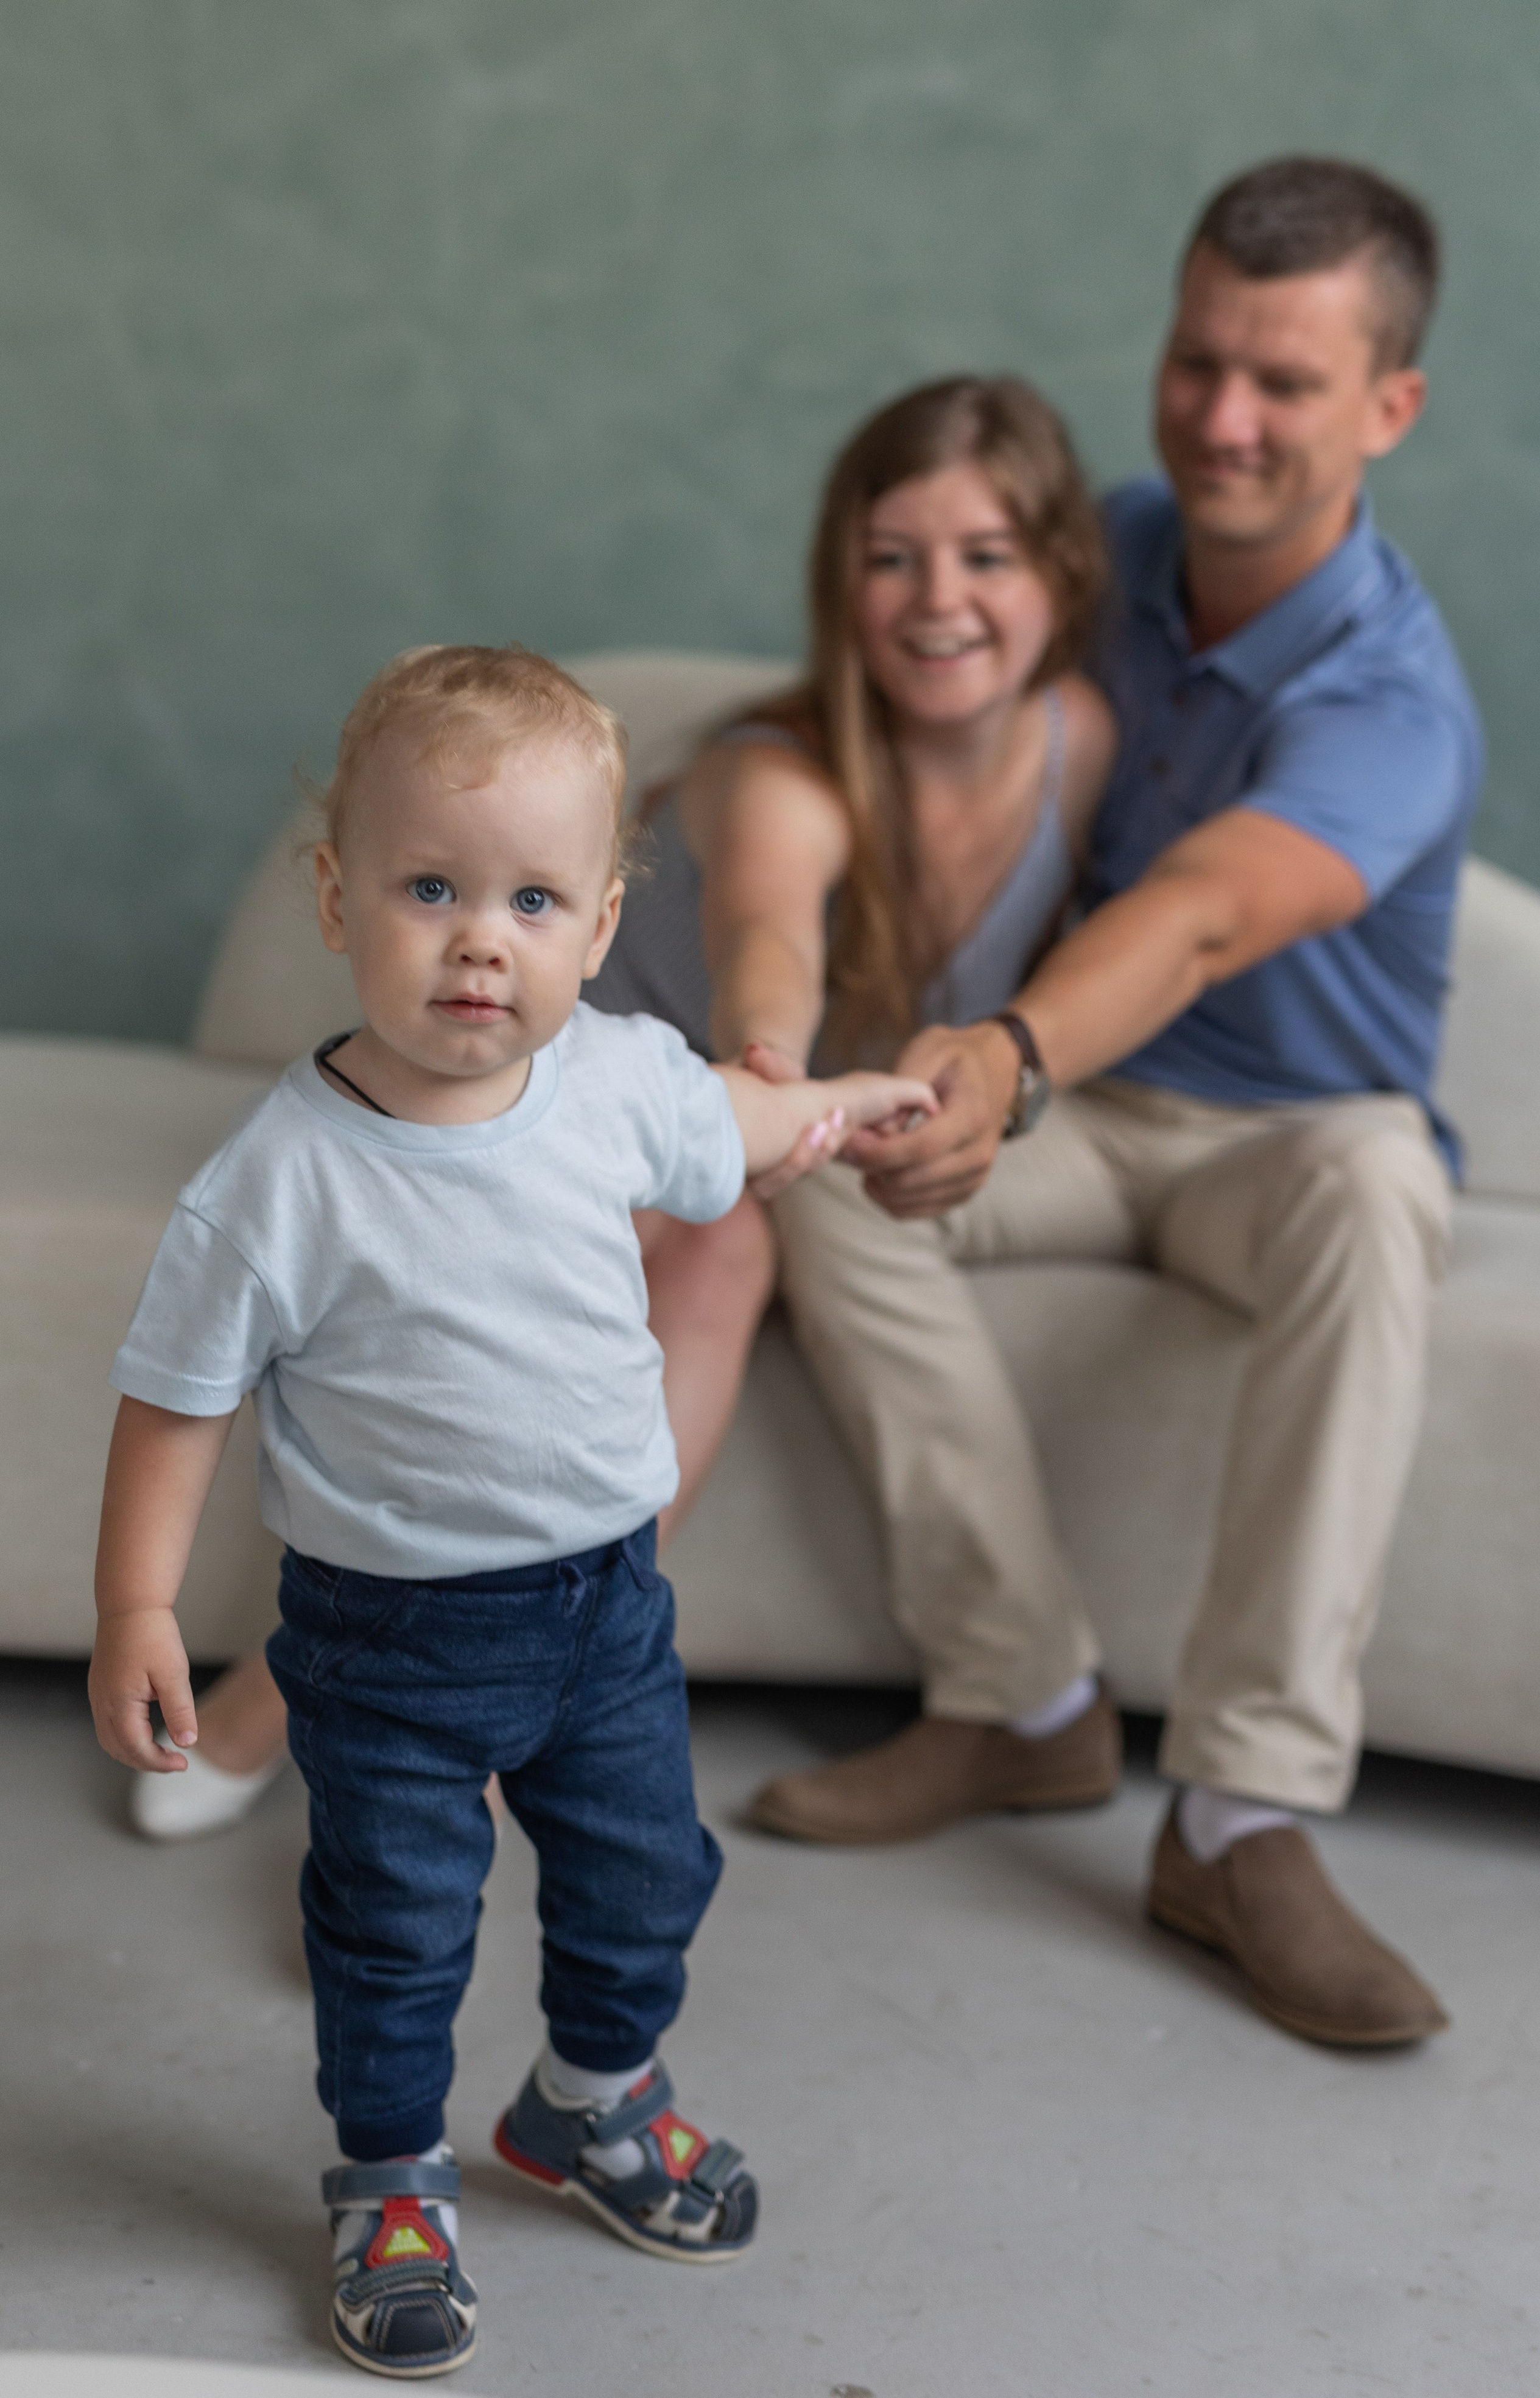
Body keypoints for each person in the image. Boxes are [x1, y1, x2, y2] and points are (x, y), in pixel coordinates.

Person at [87, 644, 934, 2379]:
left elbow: (739, 1125)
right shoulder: (279, 1177)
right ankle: (393, 2179)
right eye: (430, 888)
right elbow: (176, 1400)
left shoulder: (617, 1079)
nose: (484, 936)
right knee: (394, 1933)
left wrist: (841, 1105)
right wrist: (138, 1609)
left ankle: (593, 2100)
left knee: (648, 1882)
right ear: (337, 899)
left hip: (608, 1612)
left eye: (534, 898)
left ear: (604, 921)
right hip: (388, 1643)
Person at [127, 368, 1121, 1839]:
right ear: (840, 578)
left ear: (1060, 573)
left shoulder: (1080, 747)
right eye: (891, 556)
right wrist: (772, 1064)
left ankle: (480, 1700)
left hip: (724, 1125)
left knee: (723, 1237)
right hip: (585, 1067)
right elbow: (764, 942)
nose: (937, 598)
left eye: (985, 556)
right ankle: (347, 1695)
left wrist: (818, 1110)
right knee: (670, 1251)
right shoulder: (775, 767)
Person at [751, 157, 1482, 2052]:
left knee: (1379, 1187)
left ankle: (1243, 1816)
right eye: (1195, 360)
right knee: (826, 1164)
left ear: (1388, 407)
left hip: (1274, 1133)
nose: (1223, 418)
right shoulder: (1114, 548)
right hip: (1082, 1109)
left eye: (1287, 383)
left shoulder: (1391, 691)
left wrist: (1001, 1051)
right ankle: (1022, 1704)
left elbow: (1204, 912)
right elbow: (906, 681)